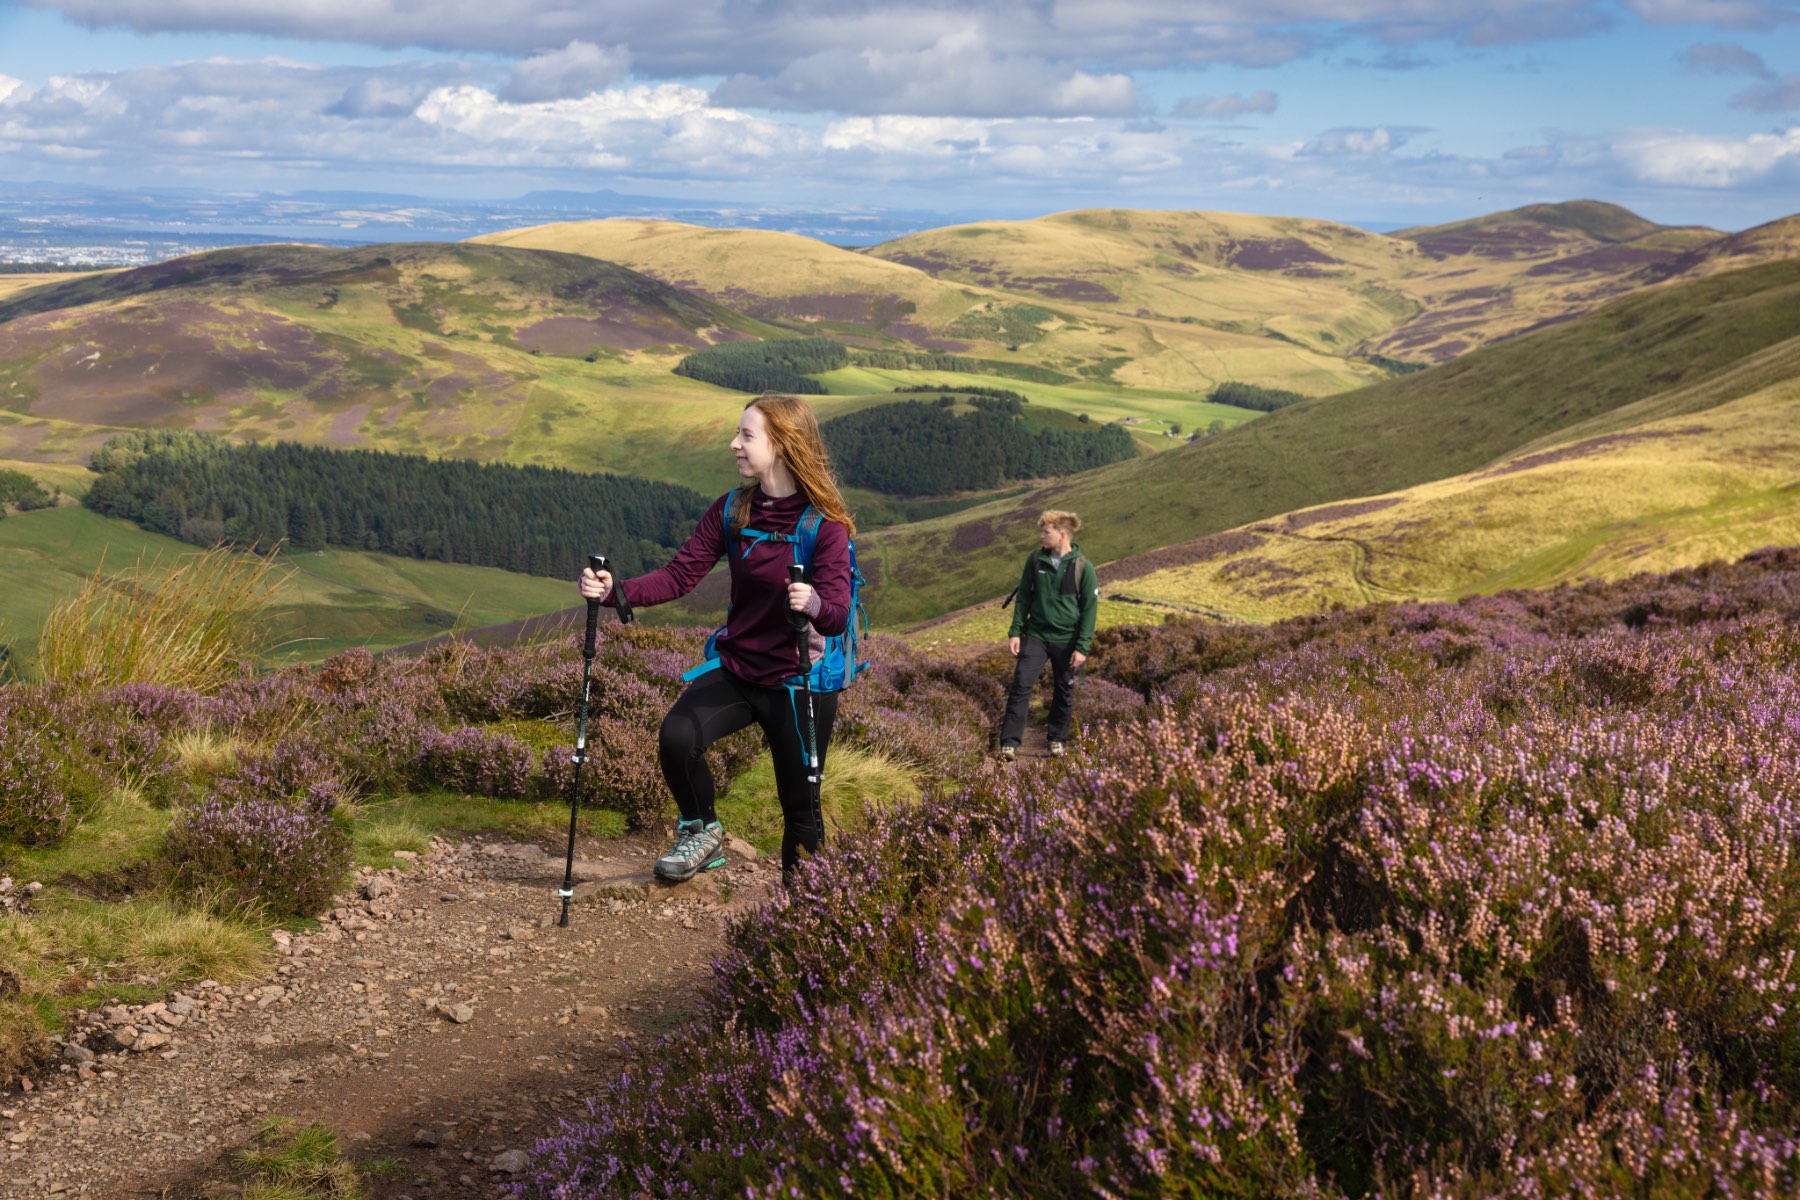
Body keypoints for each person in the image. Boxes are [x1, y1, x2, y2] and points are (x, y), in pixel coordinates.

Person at [577, 393, 855, 884]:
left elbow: (835, 616)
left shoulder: (825, 527)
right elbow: (680, 575)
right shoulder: (732, 510)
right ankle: (701, 833)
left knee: (802, 815)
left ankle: (803, 923)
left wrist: (810, 602)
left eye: (747, 436)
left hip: (800, 683)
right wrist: (615, 591)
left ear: (784, 445)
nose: (735, 444)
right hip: (739, 668)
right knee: (678, 737)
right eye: (738, 433)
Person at [998, 509, 1098, 762]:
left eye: (1046, 531)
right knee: (1021, 684)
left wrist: (1082, 647)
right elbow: (1024, 599)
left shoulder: (1083, 567)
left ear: (1062, 534)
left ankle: (1057, 740)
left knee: (1063, 690)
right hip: (1036, 635)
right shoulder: (1035, 560)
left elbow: (1089, 610)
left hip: (1067, 640)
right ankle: (1009, 743)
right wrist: (1015, 632)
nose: (1041, 536)